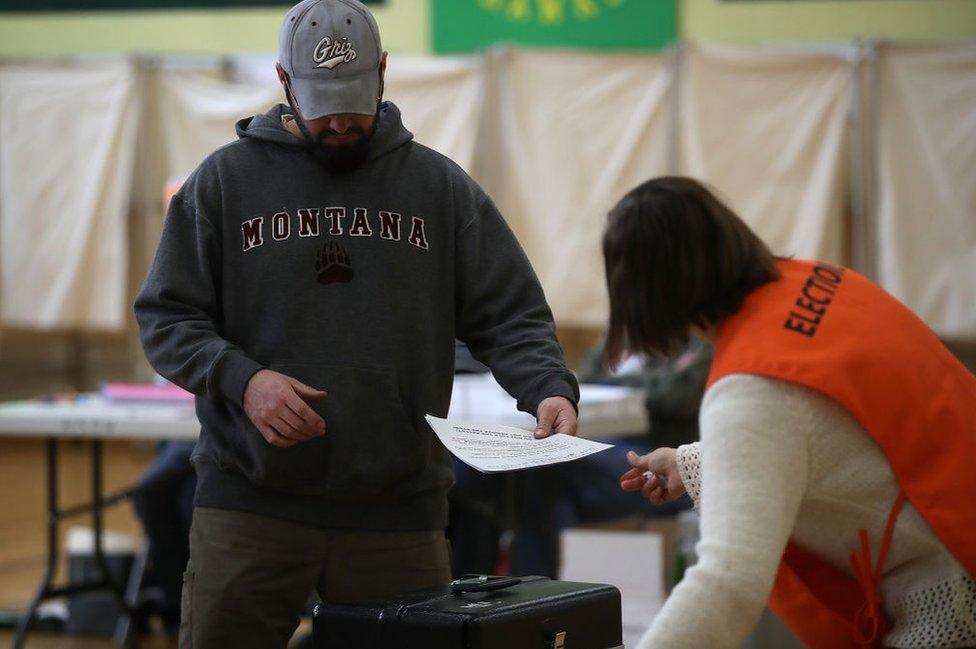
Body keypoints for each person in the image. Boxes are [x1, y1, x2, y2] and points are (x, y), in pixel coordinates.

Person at [133, 1, 579, 646]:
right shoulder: (224, 184)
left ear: (384, 74)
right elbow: (167, 316)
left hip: (397, 513)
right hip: (250, 507)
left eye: (354, 99)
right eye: (322, 104)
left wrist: (548, 386)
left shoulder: (438, 188)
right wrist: (243, 379)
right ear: (285, 82)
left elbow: (510, 311)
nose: (340, 121)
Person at [605, 177, 976, 649]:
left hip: (952, 594)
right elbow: (829, 428)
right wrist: (691, 463)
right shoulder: (821, 281)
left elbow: (726, 583)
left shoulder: (750, 385)